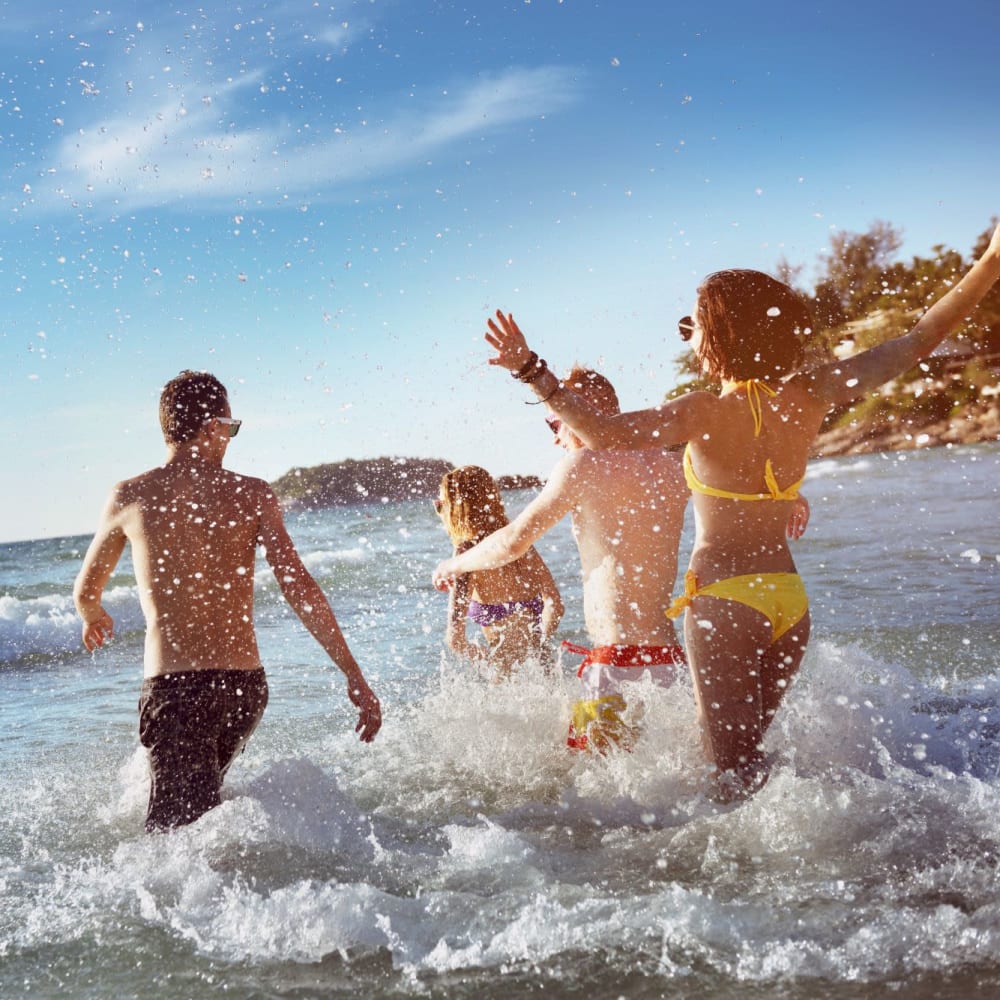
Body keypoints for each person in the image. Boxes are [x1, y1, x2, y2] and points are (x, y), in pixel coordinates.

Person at [482, 223, 1000, 796]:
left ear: (720, 336)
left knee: (731, 776)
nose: (688, 336)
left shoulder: (702, 412)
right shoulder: (814, 391)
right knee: (753, 761)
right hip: (789, 603)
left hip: (725, 602)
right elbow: (918, 339)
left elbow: (601, 433)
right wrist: (991, 263)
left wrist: (531, 371)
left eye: (693, 325)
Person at [433, 369, 810, 754]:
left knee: (592, 793)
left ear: (581, 412)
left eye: (553, 420)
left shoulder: (581, 465)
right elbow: (737, 486)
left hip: (612, 666)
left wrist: (455, 565)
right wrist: (785, 497)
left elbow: (512, 543)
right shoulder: (673, 467)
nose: (554, 435)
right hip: (673, 664)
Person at [73, 370, 381, 833]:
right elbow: (299, 587)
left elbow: (84, 590)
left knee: (172, 840)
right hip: (244, 688)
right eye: (230, 428)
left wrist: (91, 615)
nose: (229, 439)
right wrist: (353, 675)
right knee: (202, 818)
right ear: (212, 426)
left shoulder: (131, 495)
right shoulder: (253, 494)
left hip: (176, 692)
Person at [434, 465, 563, 679]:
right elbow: (556, 606)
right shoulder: (520, 545)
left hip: (507, 678)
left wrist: (488, 659)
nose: (440, 513)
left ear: (455, 510)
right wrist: (539, 642)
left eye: (440, 506)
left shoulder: (467, 554)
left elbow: (454, 640)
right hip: (545, 670)